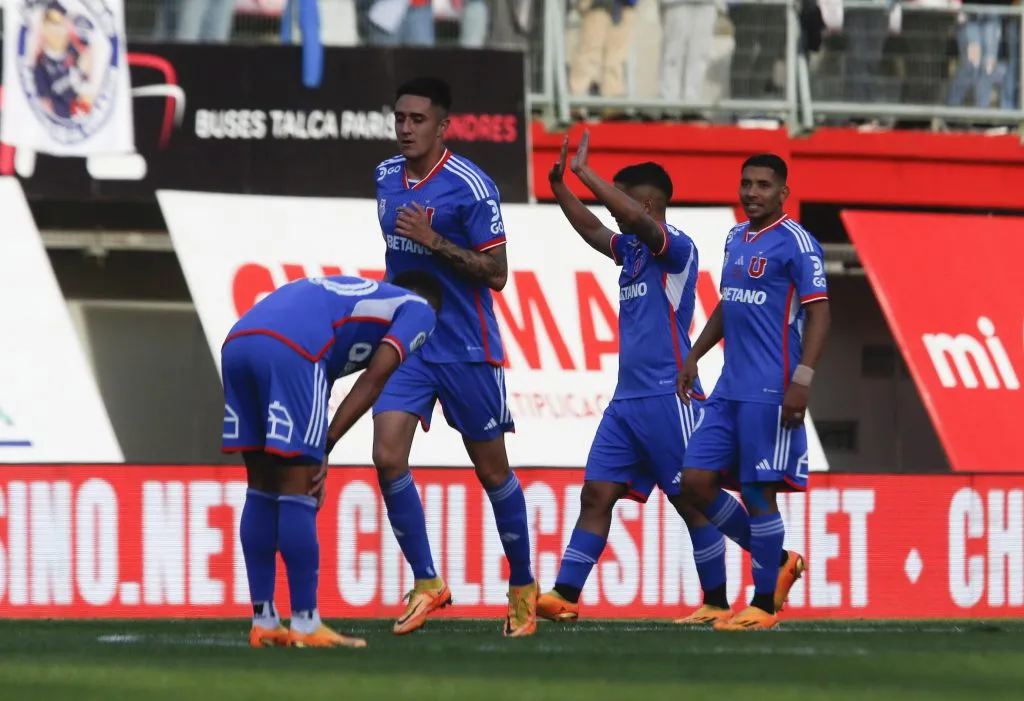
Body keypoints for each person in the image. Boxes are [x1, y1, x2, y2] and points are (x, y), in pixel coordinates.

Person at [537, 131, 746, 624]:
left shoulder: (676, 250)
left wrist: (586, 175)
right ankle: (565, 595)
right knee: (596, 494)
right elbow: (595, 231)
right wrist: (562, 190)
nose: (615, 213)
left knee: (695, 500)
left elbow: (627, 219)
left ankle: (764, 565)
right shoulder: (631, 251)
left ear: (648, 204)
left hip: (669, 395)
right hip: (627, 401)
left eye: (622, 203)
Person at [372, 76, 537, 638]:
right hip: (409, 342)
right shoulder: (385, 177)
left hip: (467, 346)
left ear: (443, 126)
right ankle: (427, 581)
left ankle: (522, 587)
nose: (405, 128)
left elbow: (499, 275)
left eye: (417, 120)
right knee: (387, 455)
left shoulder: (472, 186)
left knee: (492, 471)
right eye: (399, 118)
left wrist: (436, 239)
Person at [221, 271, 442, 648]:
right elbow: (375, 379)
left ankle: (264, 622)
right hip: (293, 349)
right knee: (298, 490)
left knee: (260, 486)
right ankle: (306, 623)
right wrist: (325, 444)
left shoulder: (351, 296)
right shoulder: (420, 308)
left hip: (239, 342)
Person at [678, 153, 829, 631]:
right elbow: (729, 302)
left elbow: (820, 314)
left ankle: (764, 604)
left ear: (783, 192)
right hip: (728, 388)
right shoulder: (735, 237)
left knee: (759, 493)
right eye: (746, 183)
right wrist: (696, 352)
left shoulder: (799, 244)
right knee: (695, 482)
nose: (752, 193)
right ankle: (779, 559)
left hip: (771, 389)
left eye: (764, 185)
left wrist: (801, 380)